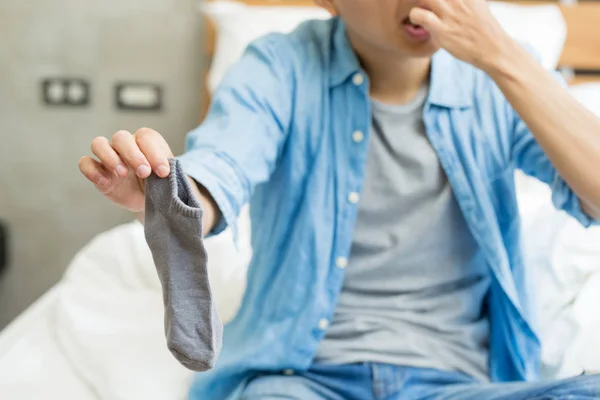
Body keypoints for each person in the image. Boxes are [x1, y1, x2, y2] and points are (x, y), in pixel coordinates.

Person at [78, 0, 600, 399]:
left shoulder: (499, 79)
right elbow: (224, 165)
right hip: (300, 379)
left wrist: (503, 55)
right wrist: (164, 190)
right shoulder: (281, 67)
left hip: (455, 383)